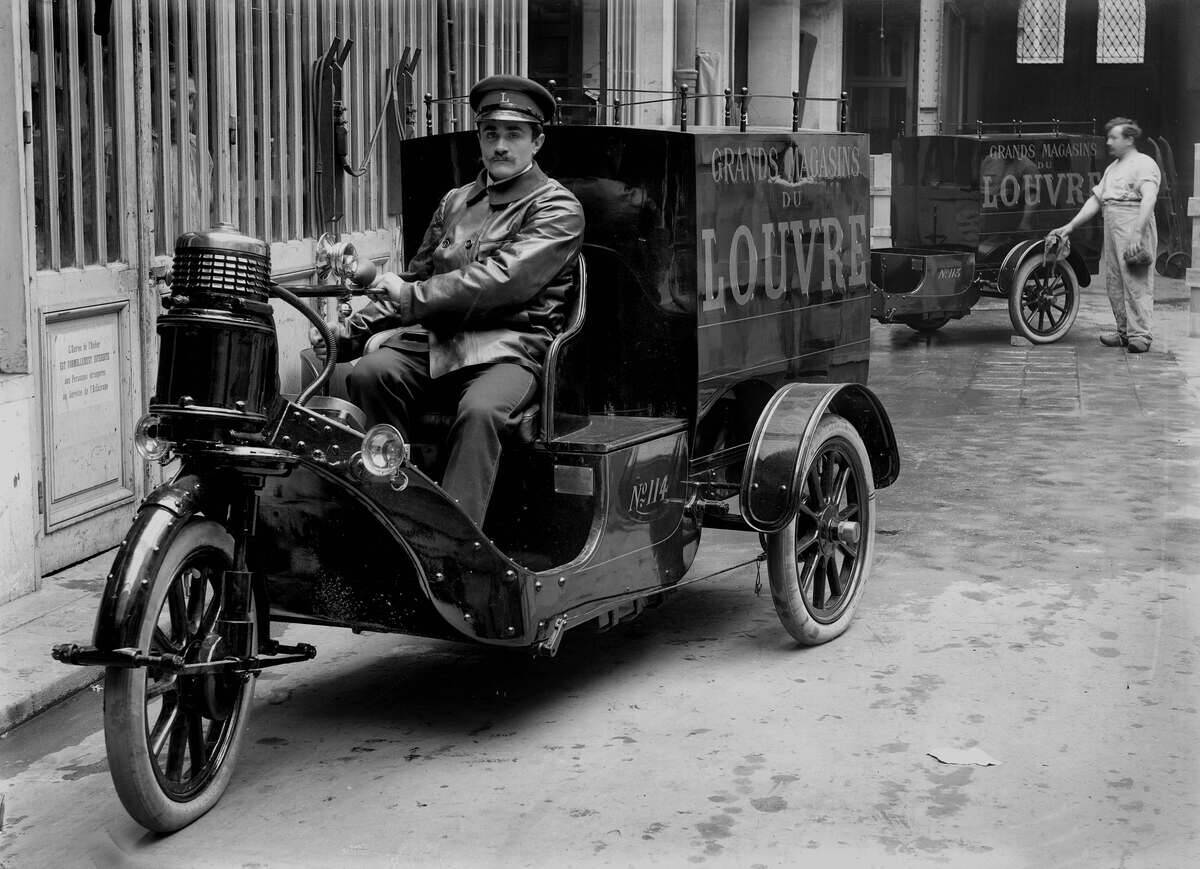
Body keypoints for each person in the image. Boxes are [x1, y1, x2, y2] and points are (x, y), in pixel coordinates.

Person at [325, 74, 585, 526]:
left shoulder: (557, 208)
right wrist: (346, 334)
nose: (500, 145)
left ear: (537, 141)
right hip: (437, 341)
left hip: (509, 348)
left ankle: (454, 545)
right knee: (369, 373)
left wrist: (410, 295)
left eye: (513, 134)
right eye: (490, 134)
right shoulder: (456, 201)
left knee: (481, 411)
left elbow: (500, 281)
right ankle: (390, 511)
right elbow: (417, 277)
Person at [1052, 117, 1160, 353]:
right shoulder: (1113, 168)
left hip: (1134, 224)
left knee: (1136, 280)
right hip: (1112, 225)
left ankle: (1140, 335)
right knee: (1115, 281)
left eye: (1114, 137)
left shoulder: (1144, 163)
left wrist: (1137, 233)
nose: (1108, 142)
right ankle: (1124, 332)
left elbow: (1149, 197)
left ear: (1129, 139)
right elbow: (1096, 200)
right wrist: (1070, 226)